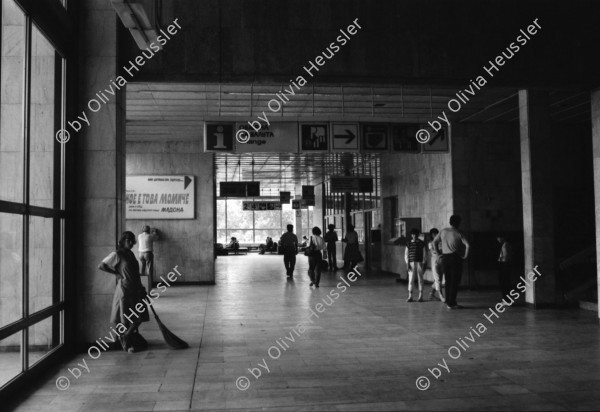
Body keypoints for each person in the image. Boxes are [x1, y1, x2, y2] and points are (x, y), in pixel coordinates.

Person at [98, 231, 150, 353]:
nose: (131, 243)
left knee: (139, 316)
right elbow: (101, 265)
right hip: (124, 289)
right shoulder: (117, 254)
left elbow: (135, 273)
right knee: (126, 317)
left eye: (133, 240)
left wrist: (142, 287)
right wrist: (116, 273)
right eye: (129, 240)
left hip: (136, 288)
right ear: (123, 240)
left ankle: (125, 336)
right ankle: (127, 342)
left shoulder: (131, 254)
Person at [433, 215, 470, 309]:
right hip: (455, 258)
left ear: (450, 222)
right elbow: (468, 245)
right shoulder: (458, 233)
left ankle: (448, 301)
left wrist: (438, 254)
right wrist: (465, 256)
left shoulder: (443, 231)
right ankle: (452, 303)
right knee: (455, 281)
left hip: (445, 258)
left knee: (448, 280)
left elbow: (434, 242)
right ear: (458, 223)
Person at [404, 228, 427, 302]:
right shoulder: (408, 243)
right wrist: (407, 263)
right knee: (411, 279)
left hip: (419, 262)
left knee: (420, 279)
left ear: (418, 235)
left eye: (416, 234)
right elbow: (406, 254)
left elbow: (424, 254)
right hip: (411, 263)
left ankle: (421, 296)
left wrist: (424, 263)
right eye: (413, 234)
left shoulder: (422, 243)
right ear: (411, 235)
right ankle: (410, 296)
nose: (414, 236)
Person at [428, 228, 445, 302]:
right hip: (435, 261)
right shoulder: (430, 243)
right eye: (434, 234)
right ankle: (441, 295)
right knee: (437, 278)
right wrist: (440, 252)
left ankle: (431, 294)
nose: (436, 235)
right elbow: (434, 251)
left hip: (442, 260)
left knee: (438, 279)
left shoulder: (441, 242)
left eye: (437, 234)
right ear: (432, 235)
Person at [497, 234, 514, 302]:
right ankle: (506, 299)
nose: (498, 240)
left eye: (498, 238)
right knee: (505, 283)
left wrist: (501, 259)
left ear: (502, 237)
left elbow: (506, 256)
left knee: (504, 283)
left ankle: (507, 300)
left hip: (504, 265)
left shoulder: (505, 245)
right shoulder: (506, 244)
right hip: (506, 265)